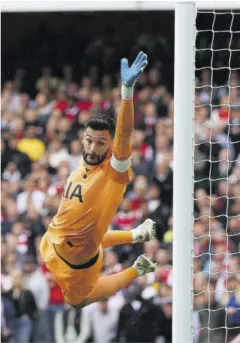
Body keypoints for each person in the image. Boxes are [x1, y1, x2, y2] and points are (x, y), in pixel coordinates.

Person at [38, 51, 157, 310]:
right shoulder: (81, 165)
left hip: (78, 267)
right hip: (51, 242)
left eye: (101, 143)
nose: (92, 148)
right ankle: (136, 234)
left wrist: (126, 92)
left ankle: (138, 269)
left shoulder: (112, 173)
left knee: (79, 300)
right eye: (89, 140)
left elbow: (123, 136)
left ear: (110, 147)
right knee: (91, 234)